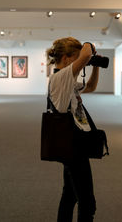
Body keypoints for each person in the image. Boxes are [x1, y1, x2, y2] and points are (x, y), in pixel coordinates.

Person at [46, 37, 100, 222]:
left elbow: (91, 87)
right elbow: (85, 53)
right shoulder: (60, 78)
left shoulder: (68, 81)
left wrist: (96, 65)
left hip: (75, 143)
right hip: (72, 147)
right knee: (87, 202)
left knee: (69, 195)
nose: (82, 62)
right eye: (77, 59)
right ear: (67, 59)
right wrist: (89, 47)